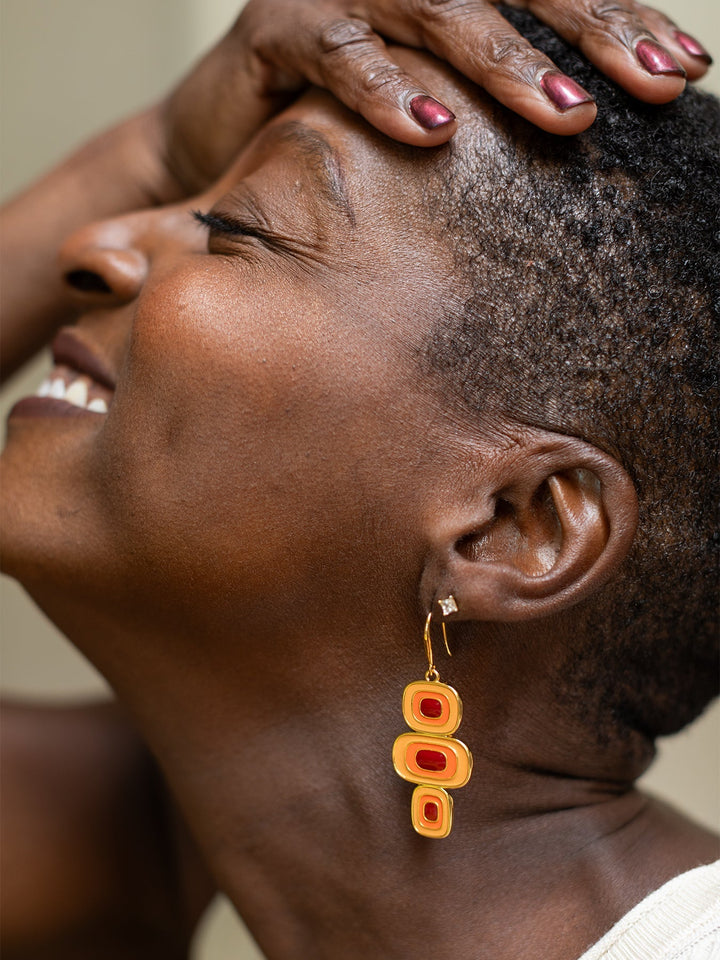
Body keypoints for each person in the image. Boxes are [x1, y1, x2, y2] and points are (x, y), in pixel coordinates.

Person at [1, 2, 717, 958]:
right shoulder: (125, 843)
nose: (89, 246)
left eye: (234, 227)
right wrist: (155, 145)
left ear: (511, 528)